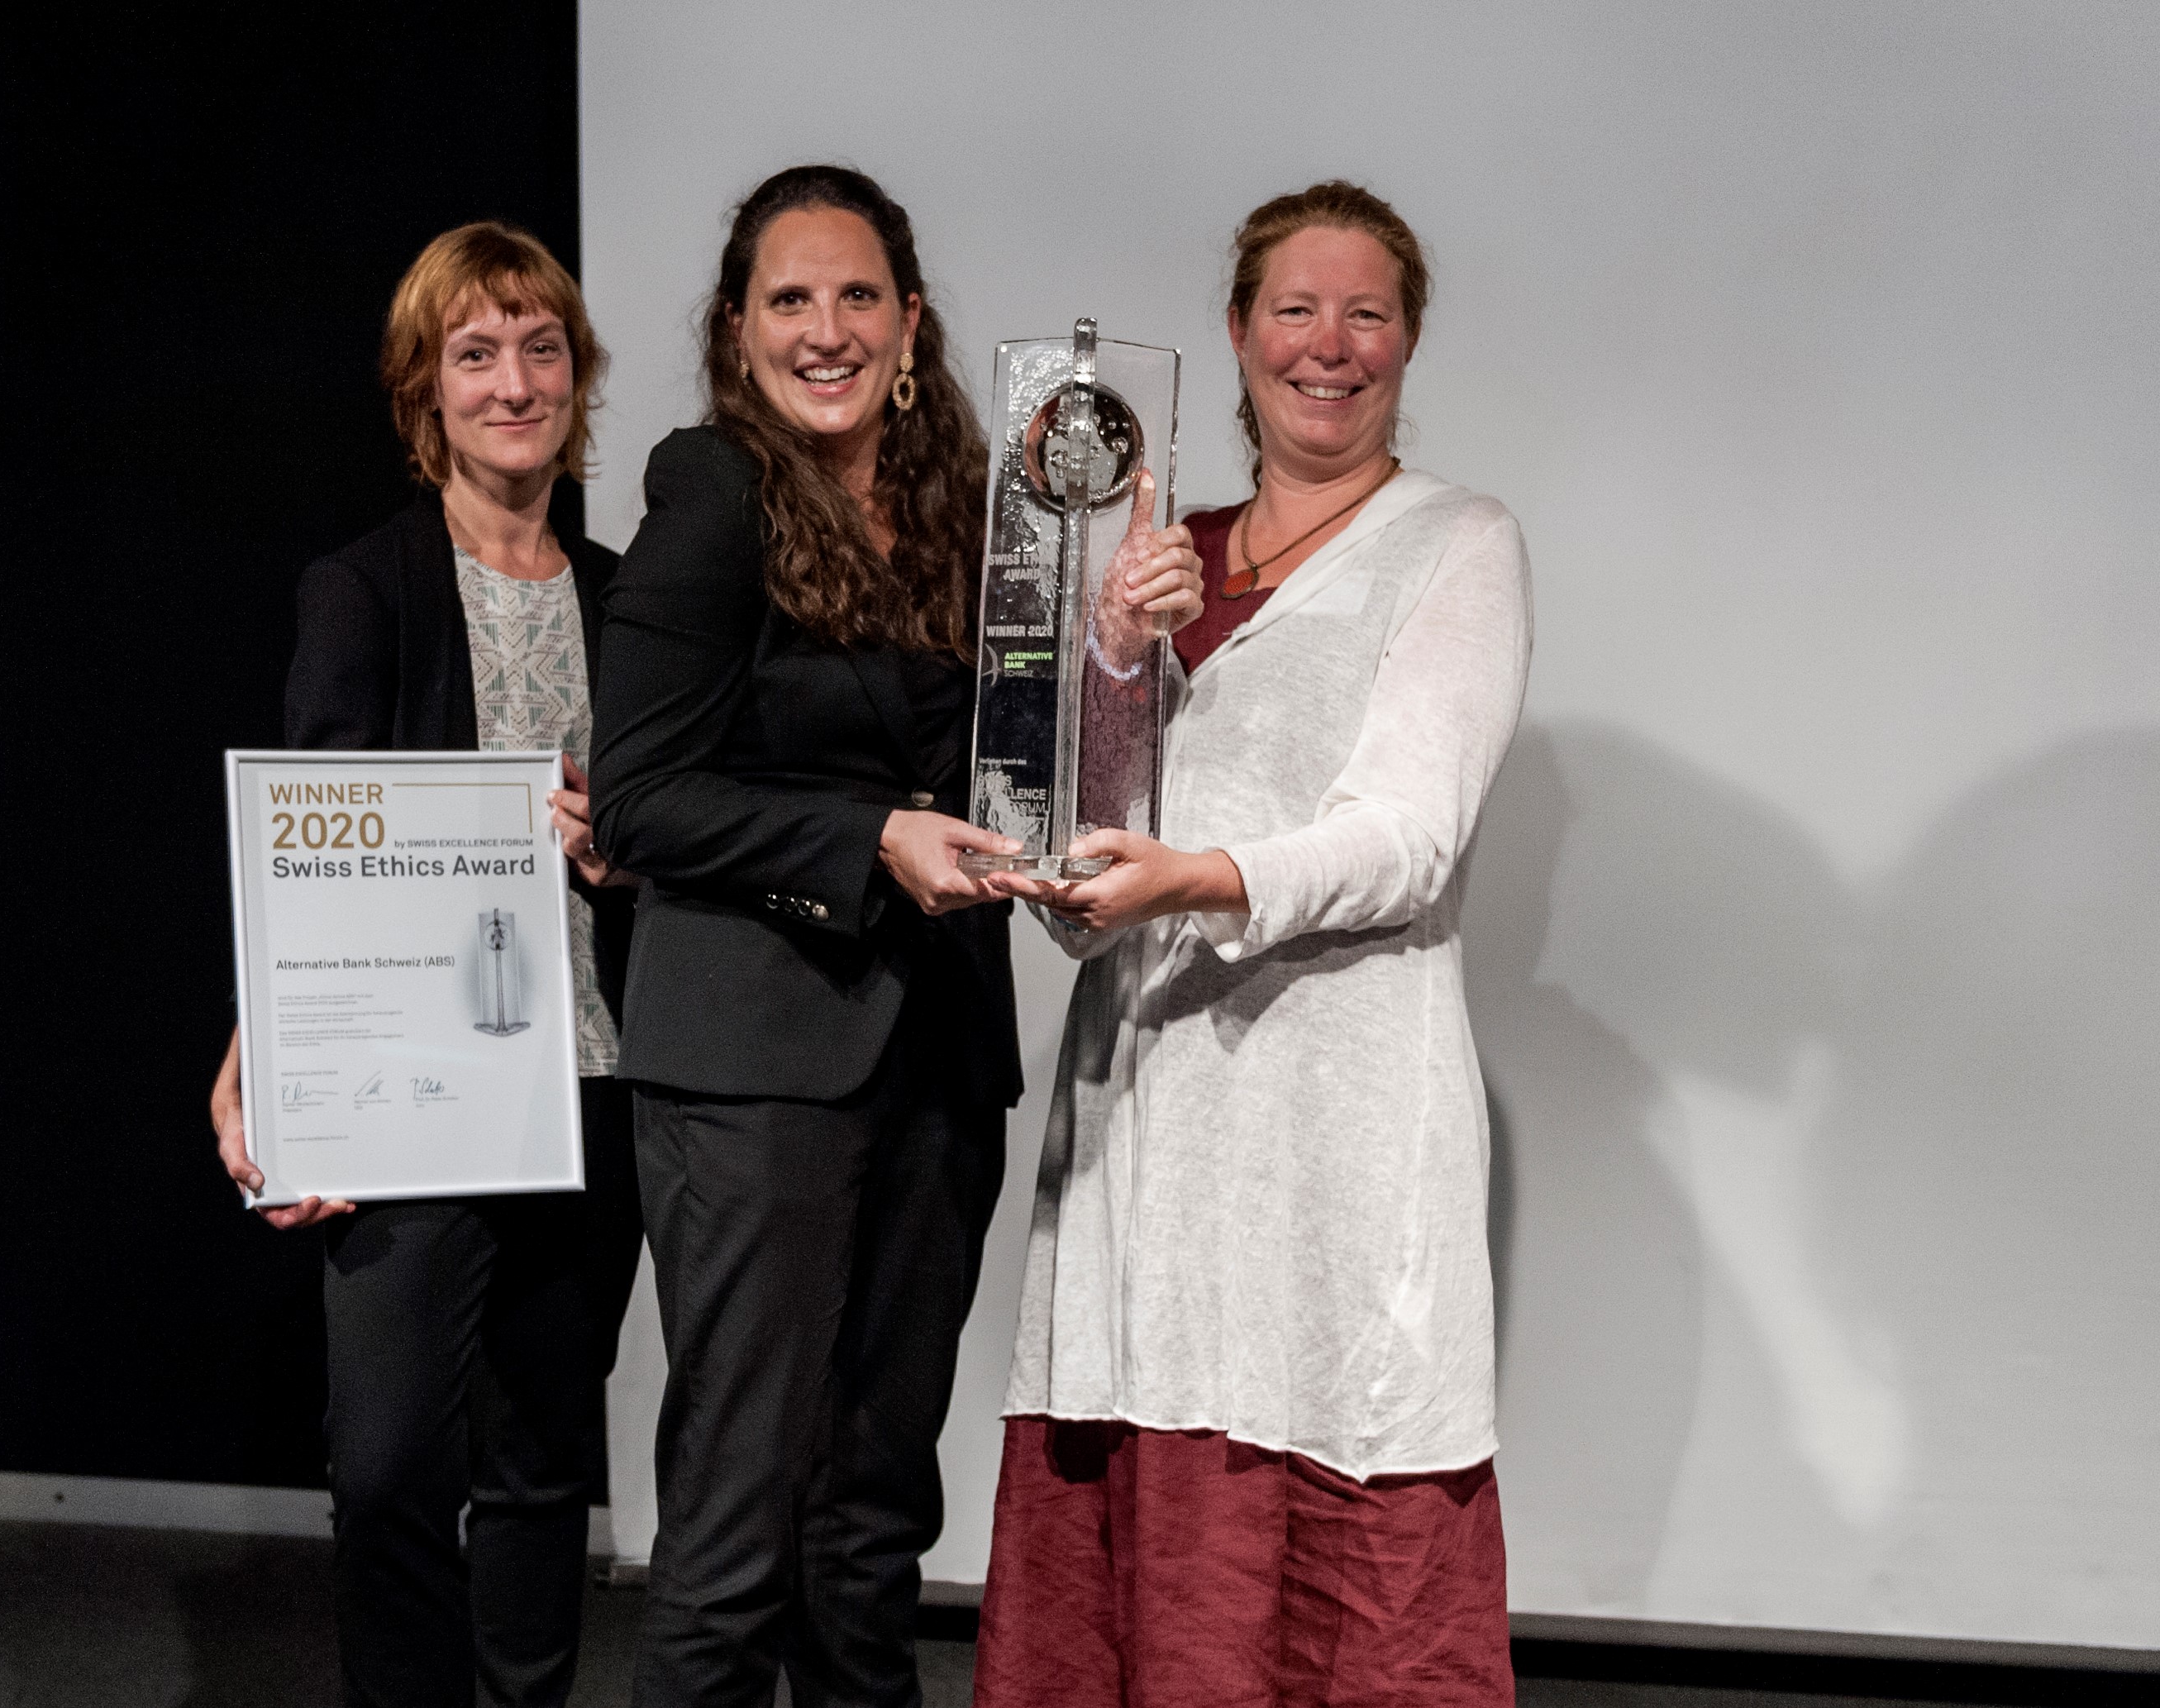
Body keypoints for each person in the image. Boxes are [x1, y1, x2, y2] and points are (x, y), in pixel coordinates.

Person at [589, 165, 1200, 1708]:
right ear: (737, 330)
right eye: (789, 299)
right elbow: (645, 800)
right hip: (752, 1066)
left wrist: (1117, 639)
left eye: (858, 295)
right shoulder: (710, 492)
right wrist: (867, 837)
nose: (827, 329)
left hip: (934, 1057)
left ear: (911, 320)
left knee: (870, 1522)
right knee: (736, 1526)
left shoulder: (975, 500)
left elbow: (1019, 756)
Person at [974, 180, 1535, 1706]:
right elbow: (1075, 829)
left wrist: (1195, 880)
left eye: (1366, 313)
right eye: (1295, 308)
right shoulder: (1161, 552)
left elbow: (1408, 835)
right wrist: (1112, 654)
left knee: (1330, 1538)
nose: (1328, 344)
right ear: (1237, 333)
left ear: (1409, 339)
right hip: (1147, 1121)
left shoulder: (1458, 543)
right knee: (1139, 1525)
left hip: (1330, 1127)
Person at [206, 222, 642, 1708]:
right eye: (476, 354)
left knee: (541, 1466)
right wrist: (265, 1053)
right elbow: (311, 859)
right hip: (415, 1096)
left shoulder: (633, 598)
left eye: (541, 349)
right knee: (390, 1464)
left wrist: (626, 840)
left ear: (578, 376)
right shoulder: (364, 587)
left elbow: (681, 826)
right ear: (424, 391)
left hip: (593, 1080)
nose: (514, 383)